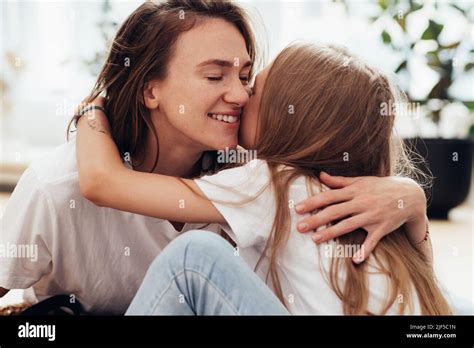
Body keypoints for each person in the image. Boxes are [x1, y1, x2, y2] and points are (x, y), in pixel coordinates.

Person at [76, 43, 450, 315]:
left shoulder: (275, 182)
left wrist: (92, 108)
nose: (239, 96)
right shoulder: (370, 200)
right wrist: (412, 202)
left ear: (287, 117)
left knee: (195, 256)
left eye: (253, 89)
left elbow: (102, 183)